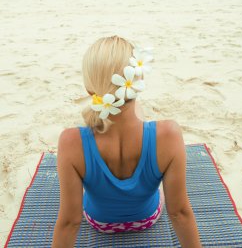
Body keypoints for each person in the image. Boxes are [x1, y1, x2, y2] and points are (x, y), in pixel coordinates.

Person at [51, 36, 202, 248]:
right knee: (138, 117)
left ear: (89, 90)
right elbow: (179, 213)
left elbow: (69, 222)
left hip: (100, 223)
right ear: (138, 81)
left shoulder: (70, 141)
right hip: (147, 219)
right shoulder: (169, 135)